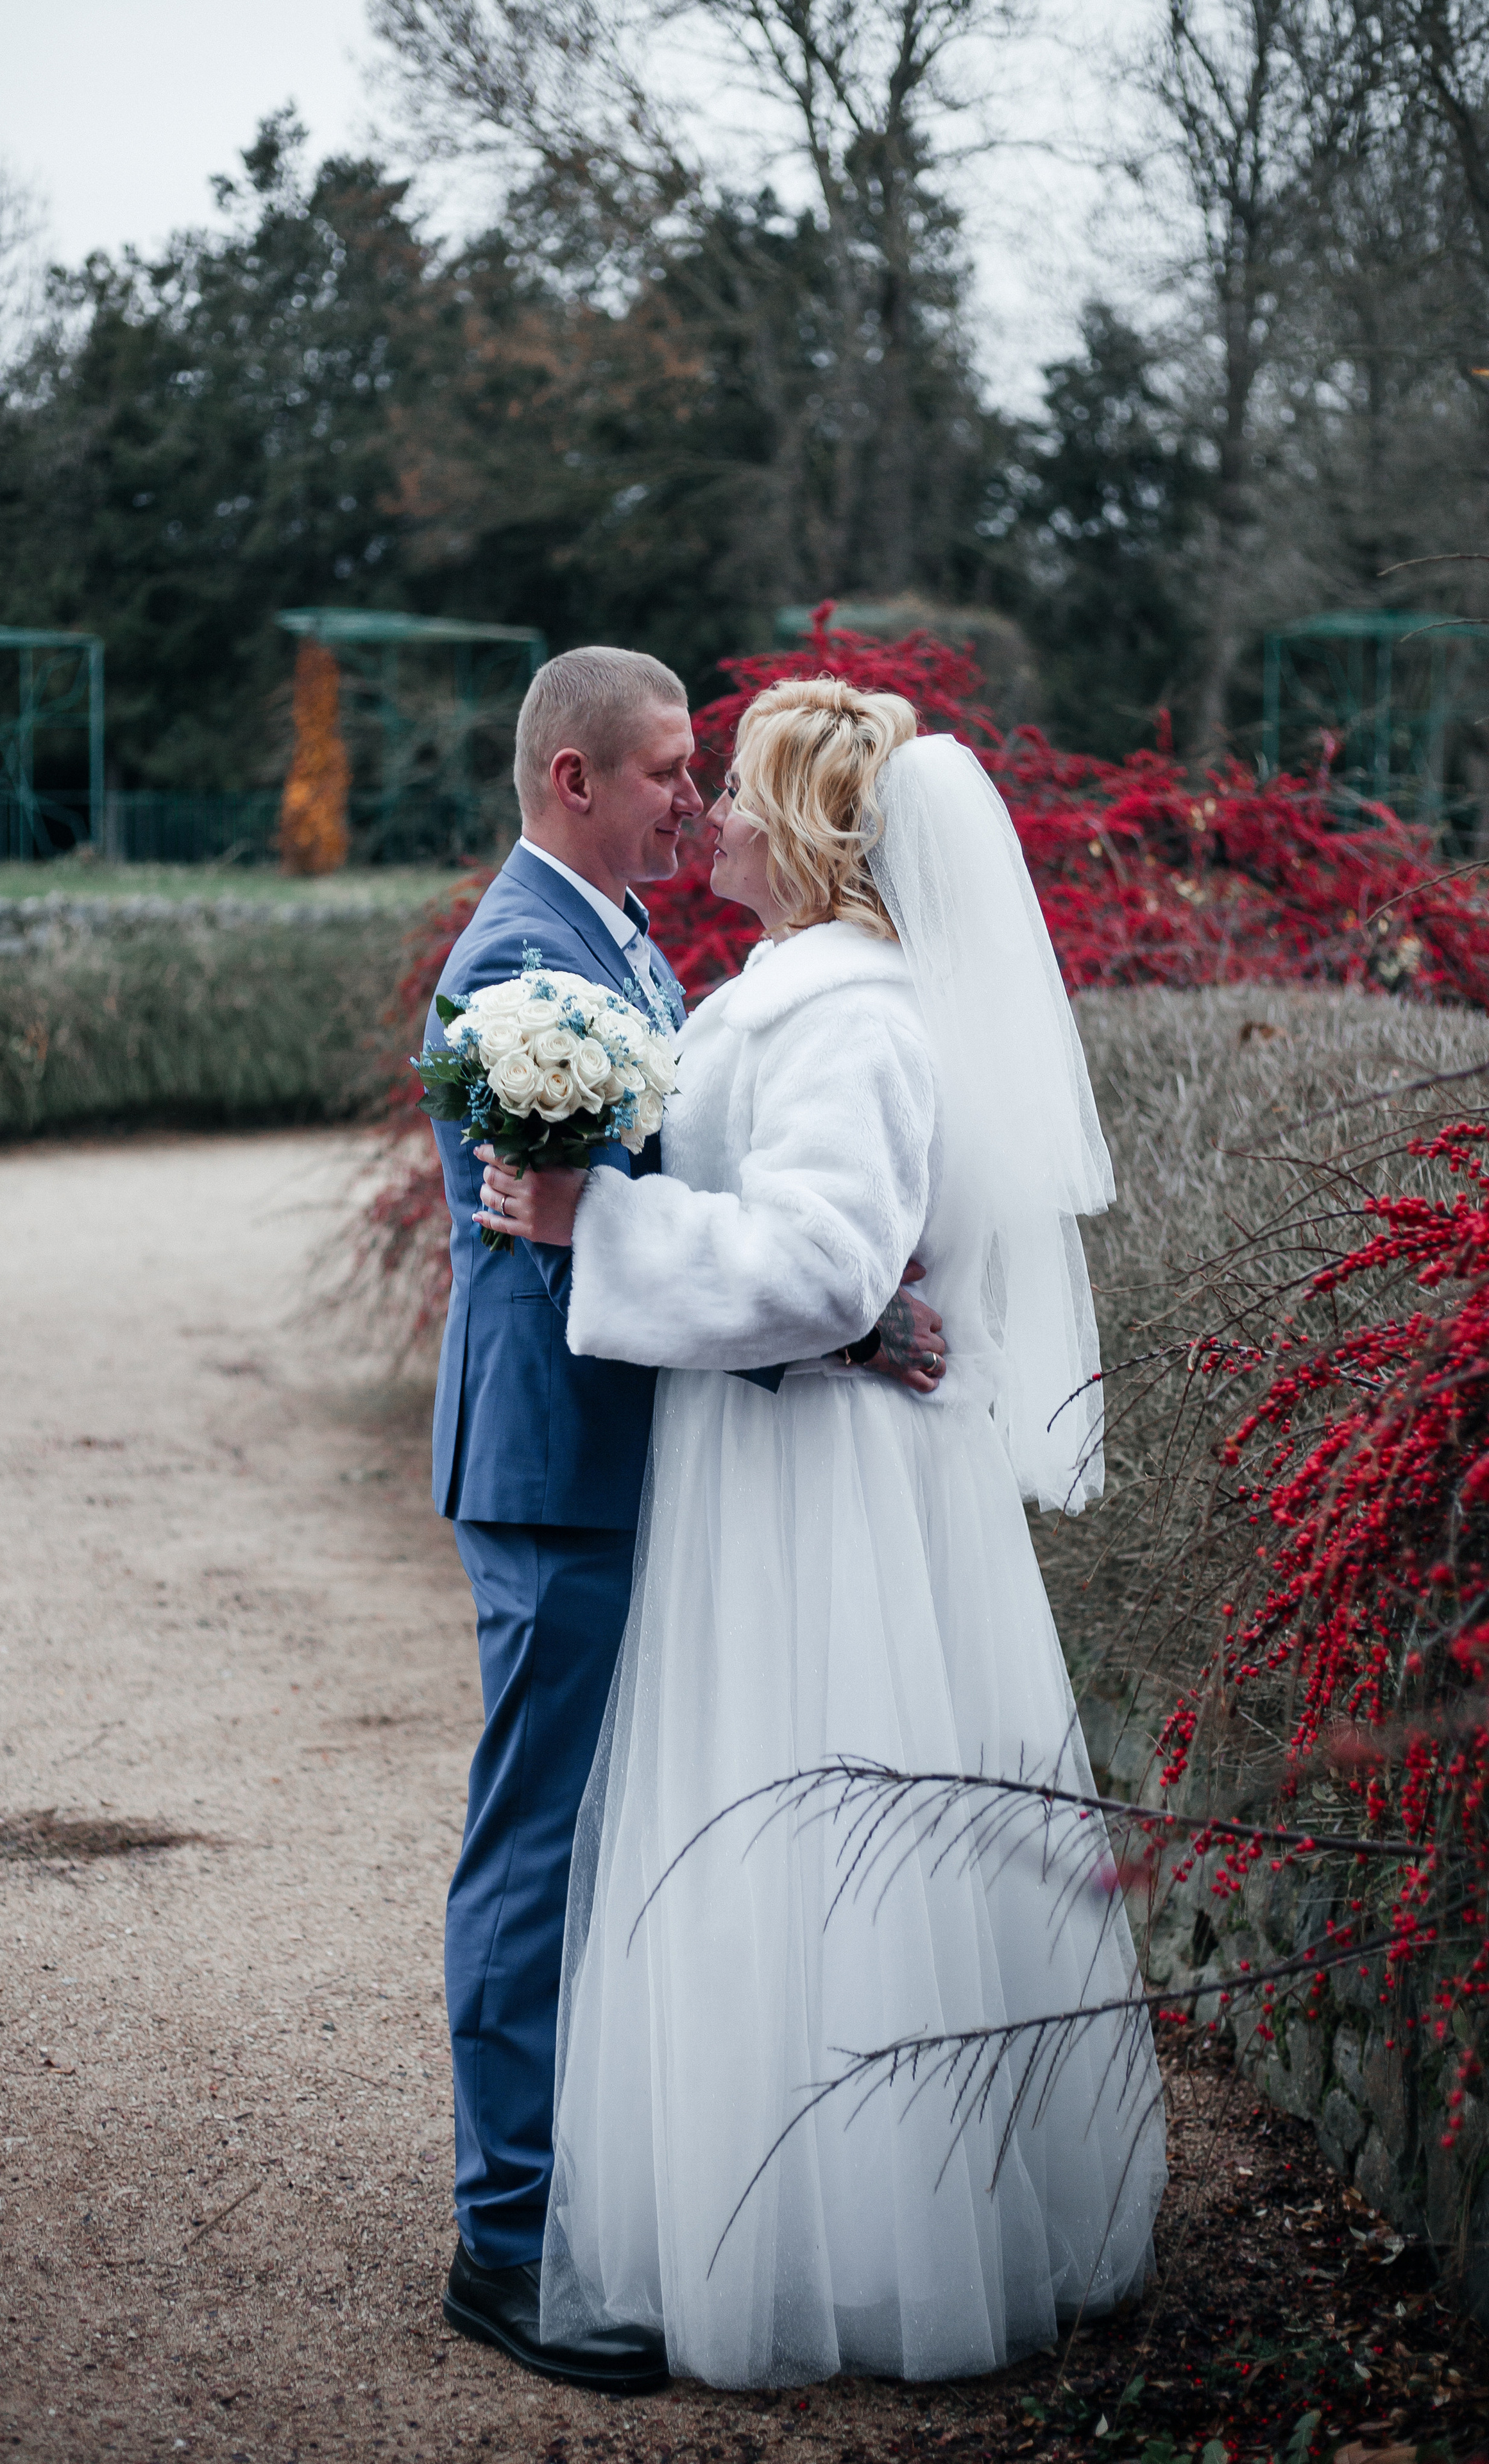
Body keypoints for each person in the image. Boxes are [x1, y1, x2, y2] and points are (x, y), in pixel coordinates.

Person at [479, 678, 1169, 2389]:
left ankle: (862, 2246)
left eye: (736, 788)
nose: (704, 807)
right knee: (760, 1851)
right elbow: (828, 1278)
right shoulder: (788, 989)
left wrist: (599, 1223)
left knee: (816, 1845)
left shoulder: (850, 1012)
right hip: (773, 1460)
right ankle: (759, 2201)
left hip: (821, 1503)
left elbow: (821, 1268)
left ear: (802, 831)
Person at [425, 647, 947, 2395]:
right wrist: (842, 1314)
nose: (691, 796)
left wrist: (854, 1314)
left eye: (706, 771)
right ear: (575, 781)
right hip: (559, 1461)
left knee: (593, 1838)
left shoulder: (622, 944)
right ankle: (507, 2244)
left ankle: (583, 2196)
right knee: (540, 1842)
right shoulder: (521, 958)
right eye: (664, 771)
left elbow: (676, 1201)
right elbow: (553, 1221)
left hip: (634, 1446)